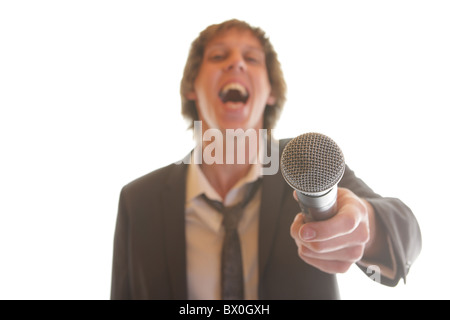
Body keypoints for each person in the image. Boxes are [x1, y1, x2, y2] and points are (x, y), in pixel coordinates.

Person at [110, 19, 421, 300]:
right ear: (192, 86)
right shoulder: (138, 201)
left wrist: (366, 225)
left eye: (251, 58)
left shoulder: (306, 165)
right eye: (219, 56)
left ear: (270, 91)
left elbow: (404, 233)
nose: (236, 64)